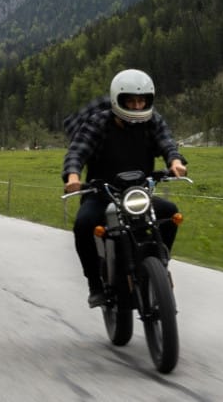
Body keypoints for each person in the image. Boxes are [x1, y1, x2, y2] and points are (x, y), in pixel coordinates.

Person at [62, 69, 187, 307]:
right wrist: (73, 176)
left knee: (170, 214)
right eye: (131, 101)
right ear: (118, 100)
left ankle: (159, 264)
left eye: (142, 101)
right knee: (83, 225)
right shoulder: (99, 122)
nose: (138, 106)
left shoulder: (152, 121)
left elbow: (167, 142)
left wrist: (176, 162)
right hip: (102, 193)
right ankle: (95, 284)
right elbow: (77, 151)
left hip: (138, 193)